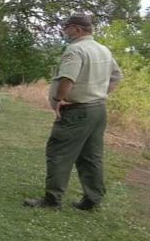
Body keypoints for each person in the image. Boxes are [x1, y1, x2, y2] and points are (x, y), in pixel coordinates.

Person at [23, 13, 123, 211]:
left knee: (59, 153)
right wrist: (100, 93)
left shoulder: (76, 49)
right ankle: (92, 199)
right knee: (91, 156)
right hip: (98, 109)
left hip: (77, 111)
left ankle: (52, 200)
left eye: (66, 27)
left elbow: (68, 78)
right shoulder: (103, 49)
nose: (64, 31)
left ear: (77, 29)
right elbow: (116, 76)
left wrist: (59, 99)